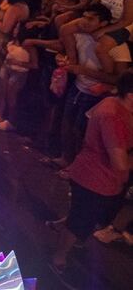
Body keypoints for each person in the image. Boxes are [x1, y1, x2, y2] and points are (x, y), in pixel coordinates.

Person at [51, 73, 133, 273]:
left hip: (103, 179)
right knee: (80, 221)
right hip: (94, 178)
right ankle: (58, 258)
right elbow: (120, 162)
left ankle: (67, 227)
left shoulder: (117, 104)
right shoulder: (112, 115)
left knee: (85, 215)